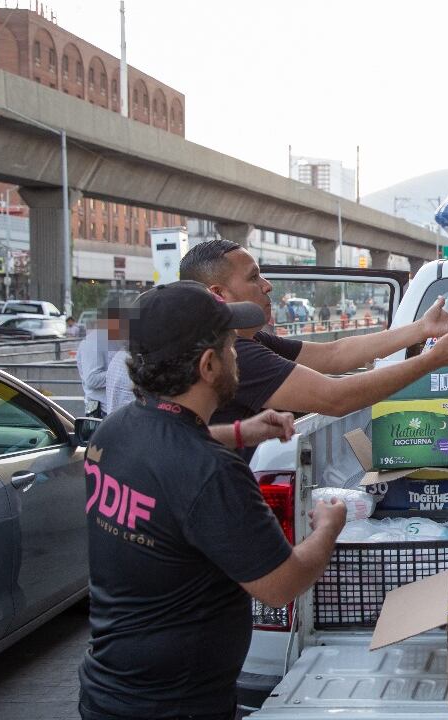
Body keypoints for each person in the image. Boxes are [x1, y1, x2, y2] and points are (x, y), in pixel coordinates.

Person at [78, 281, 348, 720]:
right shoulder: (213, 472)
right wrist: (328, 527)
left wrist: (241, 431)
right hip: (178, 706)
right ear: (208, 365)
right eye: (231, 346)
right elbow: (281, 586)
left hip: (109, 690)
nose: (237, 354)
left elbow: (173, 449)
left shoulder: (117, 429)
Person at [178, 240, 448, 459]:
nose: (267, 285)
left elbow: (333, 355)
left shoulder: (250, 341)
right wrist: (433, 360)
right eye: (254, 277)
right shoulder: (236, 354)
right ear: (219, 294)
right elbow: (335, 398)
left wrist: (420, 329)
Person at [76, 301, 121, 418]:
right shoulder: (93, 342)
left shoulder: (114, 340)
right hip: (101, 412)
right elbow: (92, 379)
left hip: (114, 410)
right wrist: (122, 372)